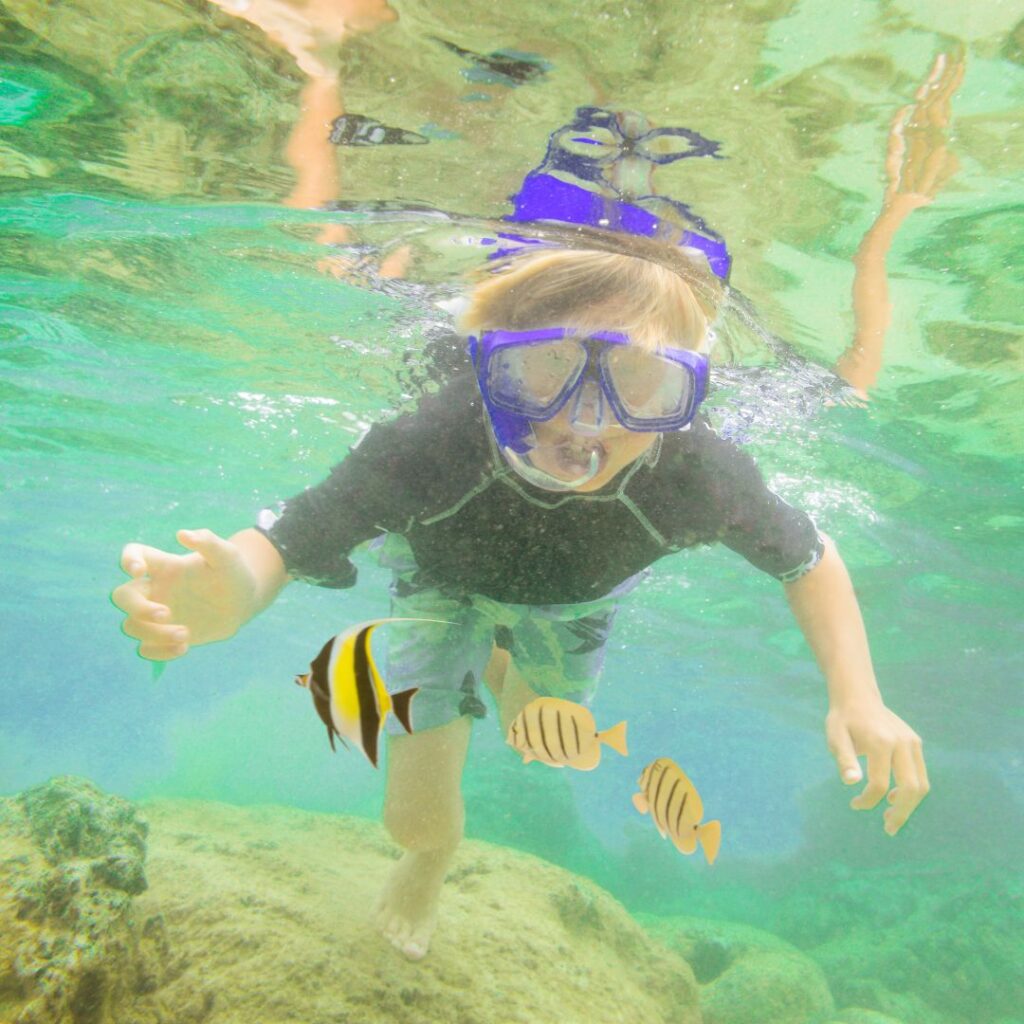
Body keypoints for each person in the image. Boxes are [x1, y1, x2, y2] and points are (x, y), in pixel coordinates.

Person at [113, 241, 929, 962]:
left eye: (639, 380)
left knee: (538, 735)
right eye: (544, 365)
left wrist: (859, 694)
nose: (583, 418)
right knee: (412, 818)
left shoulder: (696, 474)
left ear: (685, 396)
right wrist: (240, 593)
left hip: (574, 606)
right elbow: (289, 541)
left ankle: (502, 662)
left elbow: (809, 562)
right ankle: (429, 861)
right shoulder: (432, 443)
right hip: (439, 587)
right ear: (488, 363)